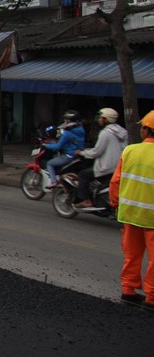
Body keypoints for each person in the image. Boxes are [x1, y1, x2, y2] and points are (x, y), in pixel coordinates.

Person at [109, 110, 154, 310]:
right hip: (152, 218)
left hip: (129, 215)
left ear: (146, 130)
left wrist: (115, 203)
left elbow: (116, 181)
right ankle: (151, 298)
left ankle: (128, 291)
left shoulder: (129, 151)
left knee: (132, 256)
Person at [73, 107, 127, 209]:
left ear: (106, 119)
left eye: (100, 118)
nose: (99, 120)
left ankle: (86, 200)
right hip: (119, 166)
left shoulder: (105, 133)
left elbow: (96, 152)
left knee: (83, 175)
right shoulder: (122, 131)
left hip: (107, 167)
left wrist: (82, 153)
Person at [43, 110, 86, 189]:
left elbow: (58, 147)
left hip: (69, 156)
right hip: (78, 156)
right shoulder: (81, 130)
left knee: (49, 163)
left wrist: (46, 145)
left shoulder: (67, 133)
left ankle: (54, 182)